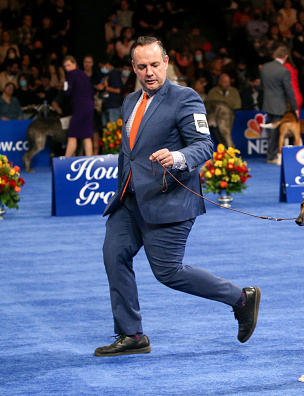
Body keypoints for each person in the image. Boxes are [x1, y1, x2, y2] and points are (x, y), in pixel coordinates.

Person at [94, 36, 261, 357]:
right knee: (113, 256)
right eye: (142, 66)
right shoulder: (130, 101)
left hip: (168, 201)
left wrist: (177, 156)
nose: (149, 72)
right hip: (129, 201)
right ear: (133, 68)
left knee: (168, 272)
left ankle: (241, 298)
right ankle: (131, 334)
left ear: (166, 62)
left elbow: (203, 145)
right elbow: (128, 154)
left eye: (155, 65)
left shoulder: (185, 98)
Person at [261, 44, 298, 164]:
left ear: (276, 55)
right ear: (286, 57)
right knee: (275, 132)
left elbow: (262, 85)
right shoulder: (284, 71)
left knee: (272, 131)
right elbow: (289, 91)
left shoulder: (265, 67)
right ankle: (272, 157)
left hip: (267, 103)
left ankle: (271, 155)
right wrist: (295, 107)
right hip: (279, 106)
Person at [62, 55, 94, 157]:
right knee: (87, 135)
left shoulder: (70, 75)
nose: (67, 68)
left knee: (72, 135)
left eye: (69, 65)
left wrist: (64, 85)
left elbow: (67, 92)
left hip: (79, 108)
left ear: (74, 64)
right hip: (89, 107)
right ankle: (90, 160)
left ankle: (65, 160)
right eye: (65, 66)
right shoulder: (84, 75)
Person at [97, 57, 123, 126]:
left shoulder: (114, 74)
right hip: (106, 106)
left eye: (103, 67)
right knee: (106, 131)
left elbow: (118, 90)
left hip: (113, 106)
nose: (102, 69)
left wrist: (104, 88)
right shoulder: (106, 75)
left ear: (107, 64)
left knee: (114, 131)